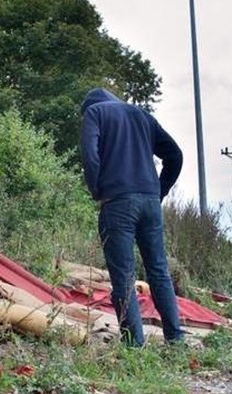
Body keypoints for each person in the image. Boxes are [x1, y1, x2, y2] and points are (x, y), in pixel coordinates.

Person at [79, 88, 184, 347]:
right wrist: (160, 190)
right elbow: (175, 155)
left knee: (124, 276)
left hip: (117, 203)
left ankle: (134, 346)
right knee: (159, 270)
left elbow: (90, 155)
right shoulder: (142, 115)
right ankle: (175, 338)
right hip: (150, 202)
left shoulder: (94, 113)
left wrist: (96, 189)